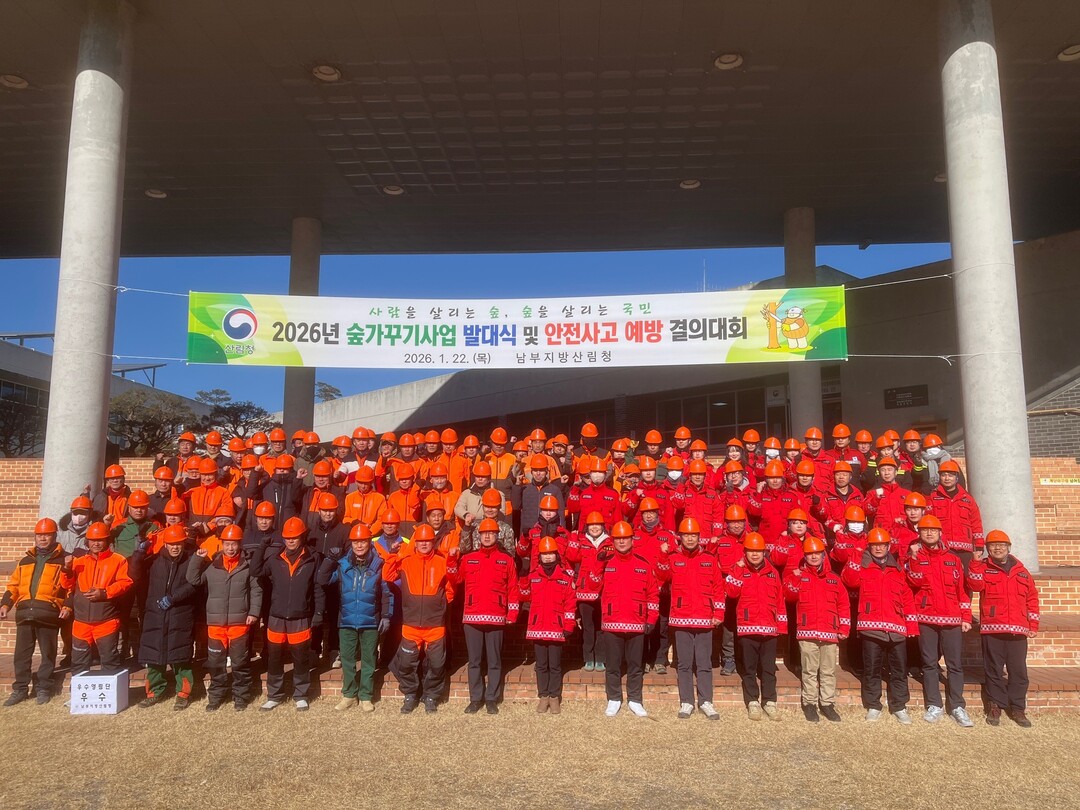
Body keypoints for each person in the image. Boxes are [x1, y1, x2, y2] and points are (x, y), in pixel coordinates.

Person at [841, 527, 917, 725]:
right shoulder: (863, 566)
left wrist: (912, 626)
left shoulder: (897, 570)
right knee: (872, 669)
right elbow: (849, 580)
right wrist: (856, 555)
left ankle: (899, 706)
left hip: (896, 628)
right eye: (874, 545)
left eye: (882, 545)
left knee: (899, 670)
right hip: (871, 627)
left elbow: (907, 598)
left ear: (888, 546)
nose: (878, 548)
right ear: (869, 546)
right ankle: (873, 705)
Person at [906, 514, 974, 727]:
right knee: (929, 664)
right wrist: (914, 558)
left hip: (952, 619)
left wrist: (965, 616)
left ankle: (957, 706)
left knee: (955, 665)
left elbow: (962, 590)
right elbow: (913, 582)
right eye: (925, 530)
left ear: (940, 533)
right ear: (919, 533)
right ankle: (934, 705)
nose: (929, 533)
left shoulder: (953, 559)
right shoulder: (914, 557)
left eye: (933, 530)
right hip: (926, 618)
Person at [967, 529, 1039, 727]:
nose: (997, 548)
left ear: (1009, 548)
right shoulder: (982, 567)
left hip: (1018, 630)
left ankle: (1017, 708)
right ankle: (995, 705)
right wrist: (974, 562)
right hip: (993, 629)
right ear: (988, 549)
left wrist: (1033, 624)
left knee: (1018, 671)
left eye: (1001, 545)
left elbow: (1032, 599)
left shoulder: (1022, 572)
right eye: (993, 545)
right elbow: (974, 585)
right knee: (993, 670)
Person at [447, 518, 520, 715]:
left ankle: (491, 699)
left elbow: (513, 589)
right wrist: (452, 560)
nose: (487, 536)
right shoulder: (468, 558)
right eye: (484, 533)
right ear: (478, 536)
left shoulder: (507, 560)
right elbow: (455, 578)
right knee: (474, 661)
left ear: (497, 535)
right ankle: (475, 699)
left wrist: (512, 613)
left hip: (497, 617)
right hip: (472, 618)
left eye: (491, 533)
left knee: (495, 662)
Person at [188, 523, 263, 712]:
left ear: (240, 544)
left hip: (239, 623)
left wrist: (254, 612)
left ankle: (241, 697)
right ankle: (216, 697)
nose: (230, 548)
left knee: (240, 663)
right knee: (215, 664)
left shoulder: (247, 566)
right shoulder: (212, 565)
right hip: (216, 624)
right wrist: (197, 559)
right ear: (222, 544)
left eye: (234, 544)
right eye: (227, 544)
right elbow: (193, 579)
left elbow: (256, 590)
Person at [587, 520, 658, 718]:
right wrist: (598, 563)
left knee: (635, 666)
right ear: (613, 541)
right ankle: (614, 698)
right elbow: (592, 586)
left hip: (637, 624)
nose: (621, 542)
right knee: (613, 665)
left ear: (632, 540)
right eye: (618, 538)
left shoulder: (643, 565)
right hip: (612, 623)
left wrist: (651, 619)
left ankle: (635, 699)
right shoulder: (606, 562)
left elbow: (653, 594)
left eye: (625, 538)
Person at [382, 521, 454, 714]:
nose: (423, 544)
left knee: (437, 664)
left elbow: (450, 590)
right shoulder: (406, 561)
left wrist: (440, 606)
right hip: (411, 625)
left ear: (433, 542)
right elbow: (387, 575)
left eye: (427, 541)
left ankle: (431, 696)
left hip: (435, 625)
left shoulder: (442, 562)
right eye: (420, 541)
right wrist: (394, 554)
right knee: (406, 664)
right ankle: (410, 695)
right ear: (415, 543)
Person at [318, 523, 390, 713]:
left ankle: (365, 696)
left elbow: (386, 593)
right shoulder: (343, 564)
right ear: (351, 543)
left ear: (369, 542)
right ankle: (349, 695)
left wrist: (386, 615)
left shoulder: (379, 565)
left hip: (370, 621)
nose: (359, 545)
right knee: (348, 660)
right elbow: (322, 579)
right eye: (356, 542)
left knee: (369, 660)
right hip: (347, 620)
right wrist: (329, 560)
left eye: (363, 541)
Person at [656, 517, 723, 720]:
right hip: (681, 618)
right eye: (686, 535)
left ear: (699, 537)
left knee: (704, 664)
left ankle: (706, 701)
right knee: (684, 664)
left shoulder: (710, 559)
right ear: (680, 537)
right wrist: (663, 554)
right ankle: (686, 702)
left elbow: (718, 589)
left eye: (694, 535)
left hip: (704, 618)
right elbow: (661, 575)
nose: (690, 539)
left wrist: (718, 613)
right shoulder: (673, 558)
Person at [2, 518, 69, 706]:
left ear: (54, 536)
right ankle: (20, 689)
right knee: (21, 655)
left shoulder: (64, 560)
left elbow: (70, 588)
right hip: (25, 613)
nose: (43, 539)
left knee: (48, 654)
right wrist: (5, 604)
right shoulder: (25, 560)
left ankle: (43, 688)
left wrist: (67, 607)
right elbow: (13, 586)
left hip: (48, 612)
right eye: (39, 535)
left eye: (47, 535)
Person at [259, 516, 324, 711]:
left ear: (302, 537)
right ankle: (274, 695)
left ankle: (300, 695)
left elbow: (317, 588)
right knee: (274, 658)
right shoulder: (275, 559)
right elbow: (255, 571)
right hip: (276, 617)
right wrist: (262, 547)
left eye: (294, 537)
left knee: (301, 658)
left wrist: (318, 612)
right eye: (287, 537)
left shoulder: (313, 559)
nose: (290, 541)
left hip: (300, 617)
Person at [783, 536, 849, 722]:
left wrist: (844, 627)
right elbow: (788, 595)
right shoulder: (799, 576)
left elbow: (843, 605)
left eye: (817, 553)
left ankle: (827, 704)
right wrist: (795, 577)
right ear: (805, 556)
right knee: (809, 671)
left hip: (830, 632)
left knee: (828, 671)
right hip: (807, 632)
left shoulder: (834, 580)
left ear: (823, 555)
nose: (813, 557)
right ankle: (809, 703)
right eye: (810, 554)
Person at [132, 525, 197, 710]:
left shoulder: (190, 561)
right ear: (165, 544)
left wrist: (173, 598)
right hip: (155, 615)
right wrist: (139, 553)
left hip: (180, 615)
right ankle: (155, 692)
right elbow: (134, 574)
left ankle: (183, 694)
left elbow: (195, 584)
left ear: (184, 544)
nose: (175, 547)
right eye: (171, 544)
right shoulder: (153, 561)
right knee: (154, 656)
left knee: (181, 657)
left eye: (178, 544)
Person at [726, 532, 785, 720]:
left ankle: (770, 702)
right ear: (745, 552)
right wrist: (737, 569)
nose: (754, 554)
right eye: (751, 551)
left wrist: (781, 627)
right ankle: (752, 702)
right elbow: (731, 592)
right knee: (749, 669)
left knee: (768, 669)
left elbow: (780, 601)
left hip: (769, 630)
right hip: (747, 628)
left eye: (758, 551)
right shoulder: (738, 570)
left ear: (764, 552)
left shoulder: (773, 573)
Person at [64, 521, 133, 675]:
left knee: (110, 661)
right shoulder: (78, 561)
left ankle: (111, 690)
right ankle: (79, 690)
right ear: (87, 541)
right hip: (81, 622)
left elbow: (125, 583)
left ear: (107, 541)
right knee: (78, 662)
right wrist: (66, 569)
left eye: (100, 540)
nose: (96, 543)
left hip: (106, 621)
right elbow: (67, 585)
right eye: (92, 540)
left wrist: (105, 593)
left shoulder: (118, 560)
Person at [518, 536, 578, 715]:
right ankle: (543, 696)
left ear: (556, 555)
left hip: (557, 628)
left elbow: (570, 603)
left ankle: (554, 697)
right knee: (541, 665)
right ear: (540, 557)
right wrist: (523, 577)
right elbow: (523, 595)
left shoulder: (565, 578)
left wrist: (569, 624)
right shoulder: (533, 576)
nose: (548, 557)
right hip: (538, 627)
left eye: (551, 553)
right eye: (544, 554)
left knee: (555, 665)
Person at [573, 511, 612, 672]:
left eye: (597, 525)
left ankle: (601, 658)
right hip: (585, 591)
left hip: (603, 590)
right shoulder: (581, 541)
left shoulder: (610, 542)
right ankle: (588, 658)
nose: (594, 528)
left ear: (603, 526)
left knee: (601, 627)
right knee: (588, 627)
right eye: (591, 525)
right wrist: (574, 539)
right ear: (587, 527)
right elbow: (572, 556)